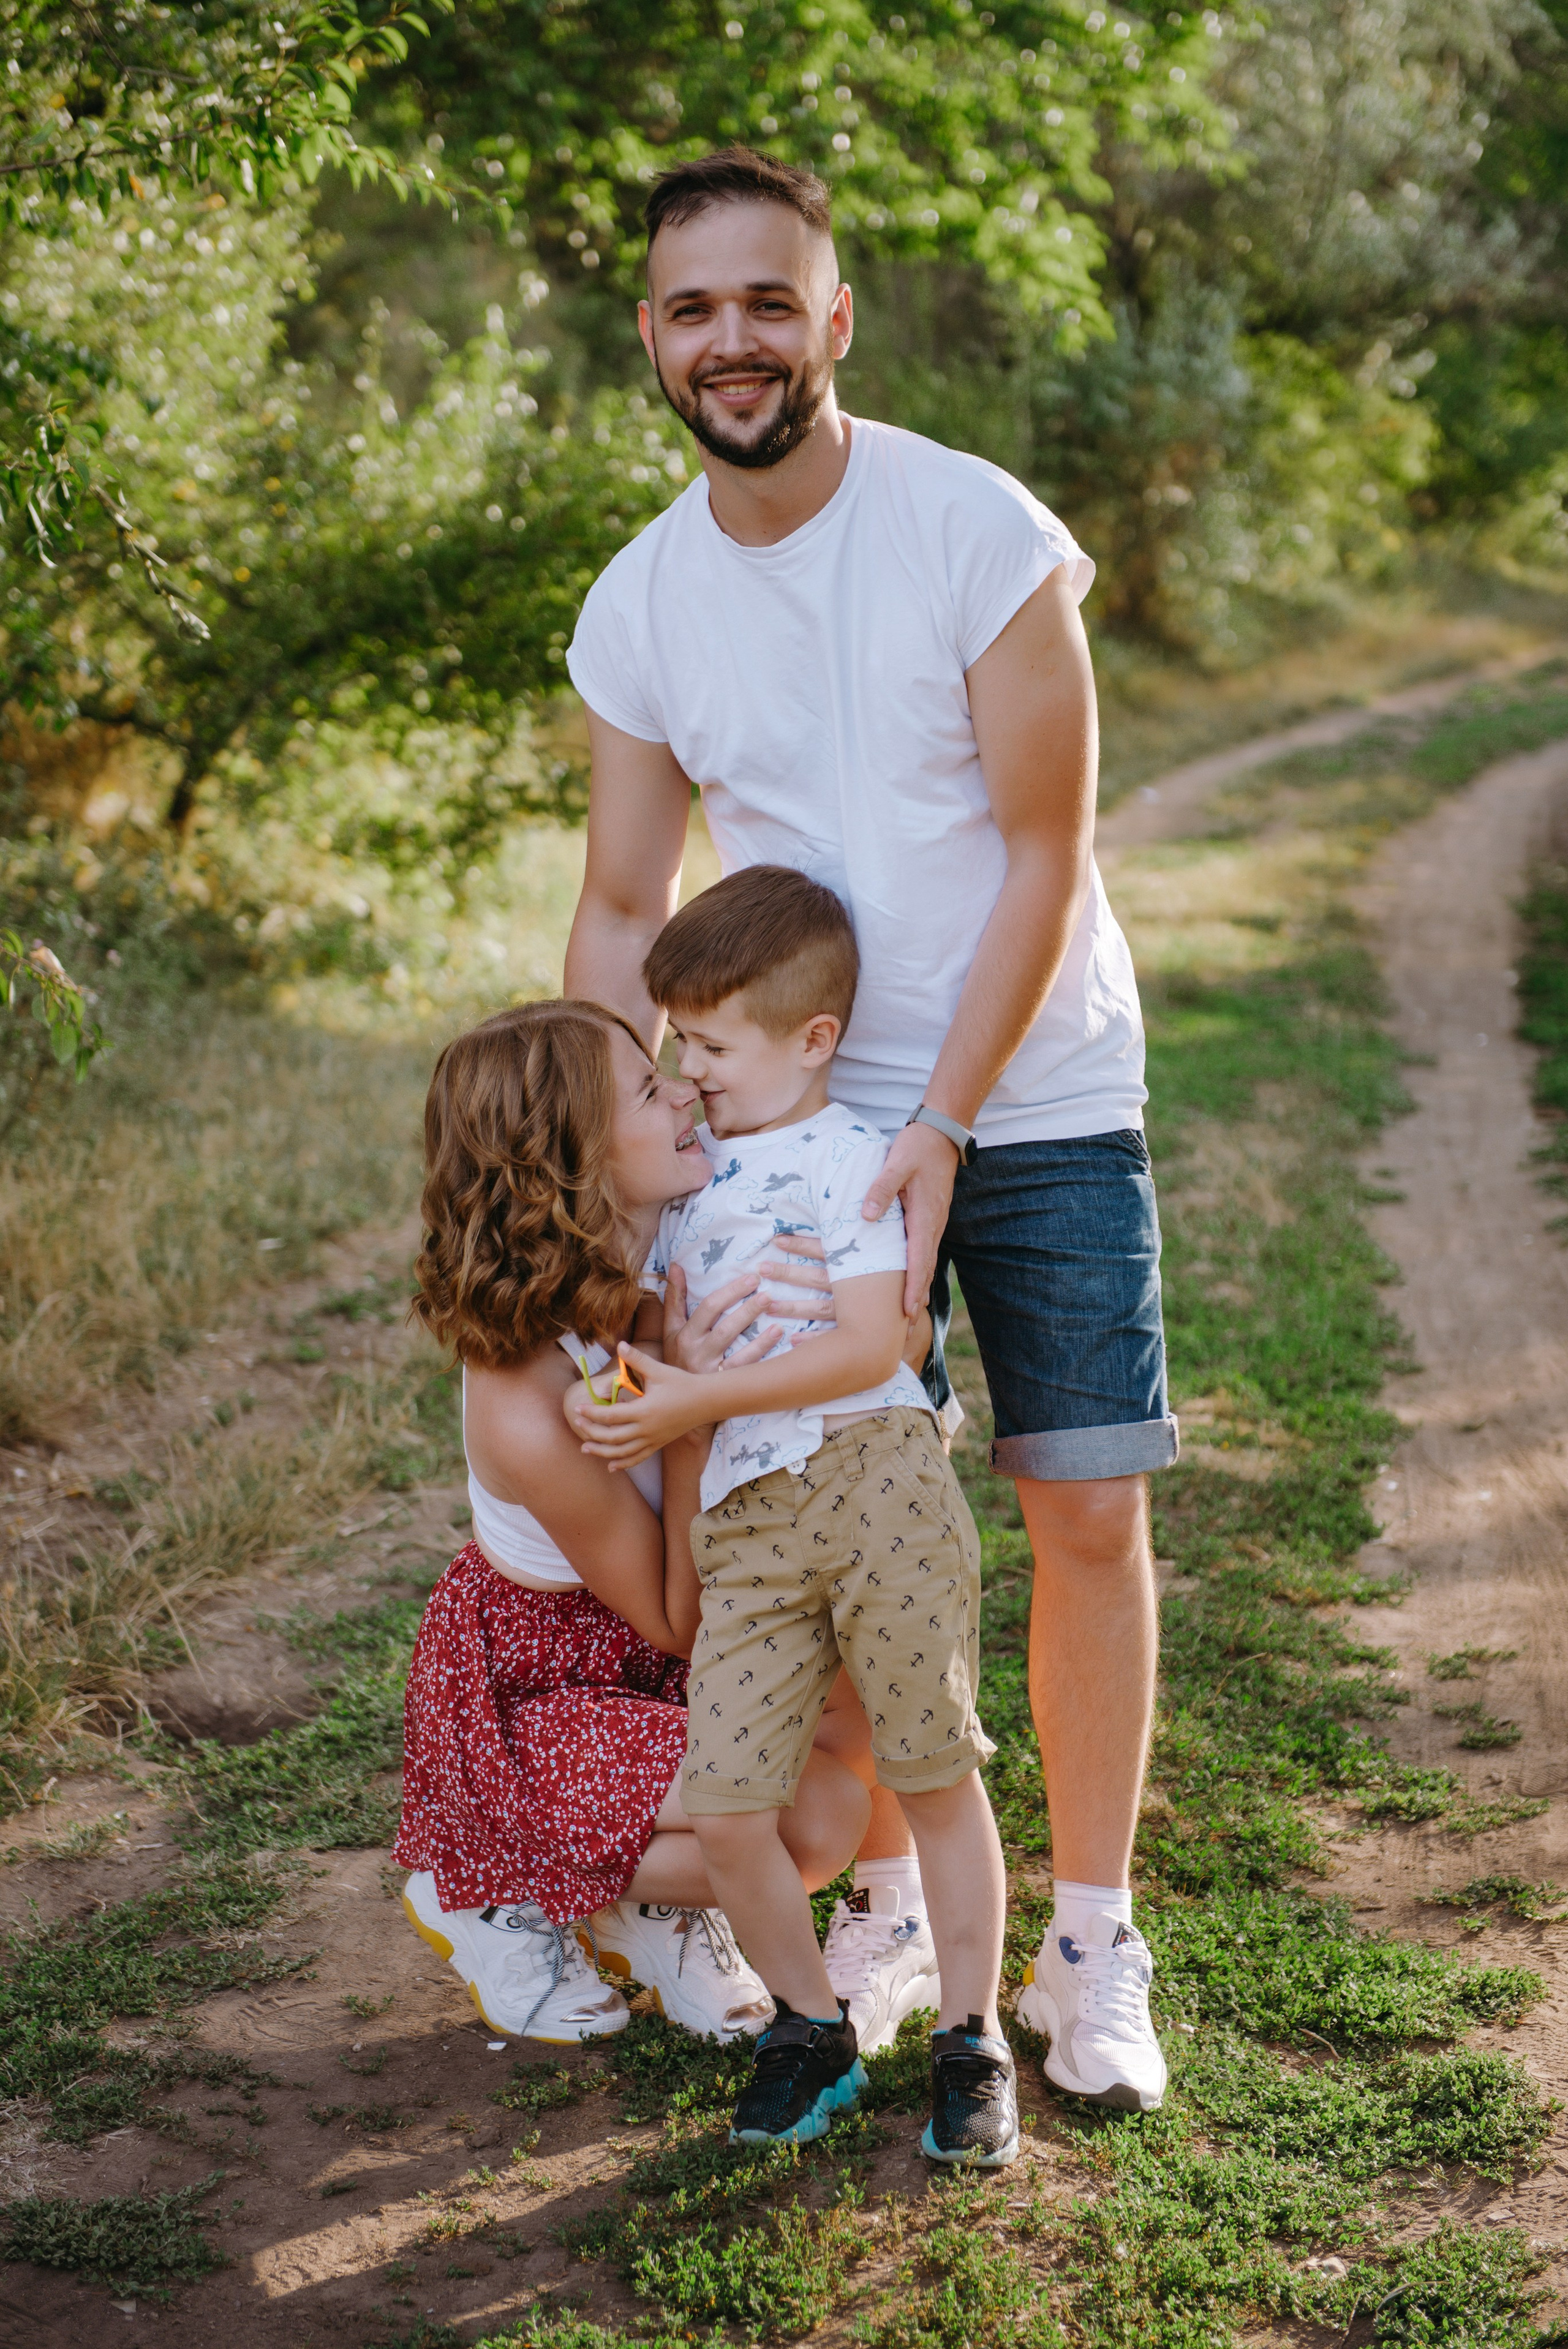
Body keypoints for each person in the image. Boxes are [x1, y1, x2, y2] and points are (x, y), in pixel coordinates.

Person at [563, 146, 1174, 2114]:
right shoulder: (641, 605)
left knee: (1077, 1501)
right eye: (690, 307)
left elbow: (1045, 845)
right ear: (650, 340)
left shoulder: (975, 530)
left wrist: (951, 1120)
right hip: (785, 1128)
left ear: (832, 320)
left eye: (768, 300)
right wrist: (613, 1175)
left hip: (1039, 1088)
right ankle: (902, 1892)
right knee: (819, 1519)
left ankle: (1089, 1937)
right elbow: (619, 907)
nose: (729, 339)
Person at [568, 866, 1018, 2167]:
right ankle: (809, 2026)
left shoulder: (853, 1157)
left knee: (931, 1765)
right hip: (747, 1519)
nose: (685, 1067)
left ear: (810, 1040)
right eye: (674, 1041)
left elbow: (875, 1340)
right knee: (725, 1806)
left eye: (707, 1043)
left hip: (875, 1478)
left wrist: (696, 1390)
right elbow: (635, 1329)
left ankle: (970, 2038)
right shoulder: (680, 1182)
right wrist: (644, 1358)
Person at [392, 997, 876, 2043]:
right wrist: (695, 1415)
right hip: (546, 1684)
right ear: (570, 1162)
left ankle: (631, 1896)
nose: (688, 1088)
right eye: (652, 1089)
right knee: (818, 1822)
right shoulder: (524, 1403)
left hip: (647, 1652)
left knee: (857, 1735)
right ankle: (489, 1877)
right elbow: (672, 1619)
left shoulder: (645, 1264)